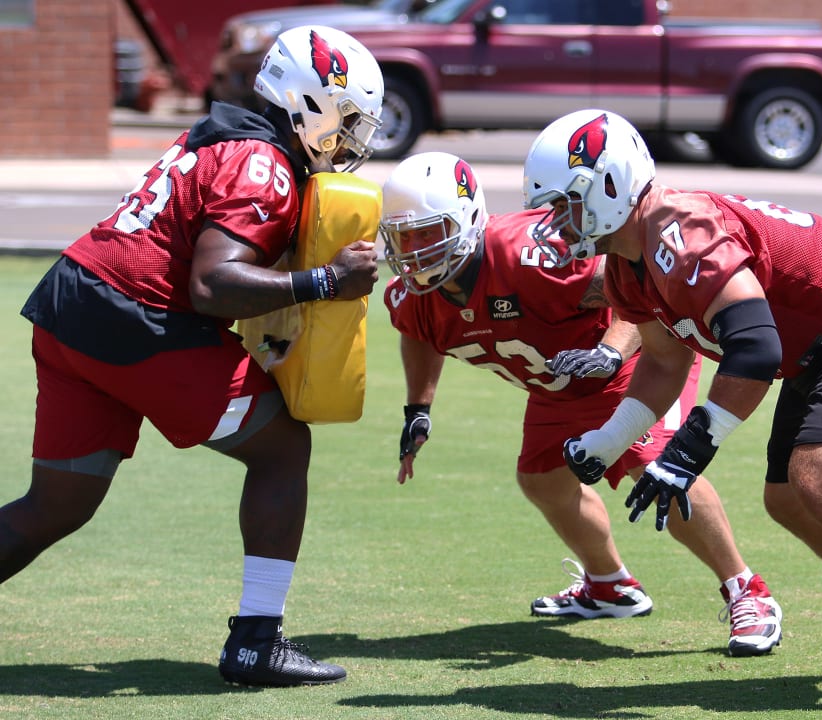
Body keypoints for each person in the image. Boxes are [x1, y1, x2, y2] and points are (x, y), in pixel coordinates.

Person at [522, 109, 822, 705]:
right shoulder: (627, 262)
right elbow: (664, 363)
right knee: (788, 499)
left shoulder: (681, 231)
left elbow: (754, 348)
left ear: (611, 184)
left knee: (821, 479)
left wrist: (689, 451)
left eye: (568, 203)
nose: (559, 222)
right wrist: (610, 442)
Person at [0, 25, 385, 687]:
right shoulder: (263, 165)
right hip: (138, 321)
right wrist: (325, 282)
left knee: (58, 505)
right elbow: (212, 285)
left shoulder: (221, 136)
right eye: (346, 118)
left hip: (74, 305)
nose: (350, 137)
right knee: (283, 448)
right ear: (307, 101)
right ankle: (256, 642)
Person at [381, 151, 781, 656]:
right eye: (403, 237)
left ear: (464, 222)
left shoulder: (531, 256)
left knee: (656, 469)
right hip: (557, 384)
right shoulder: (413, 295)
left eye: (426, 234)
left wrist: (611, 353)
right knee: (543, 478)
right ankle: (610, 585)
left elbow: (637, 291)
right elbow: (417, 332)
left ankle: (747, 591)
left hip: (634, 361)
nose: (413, 253)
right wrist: (419, 407)